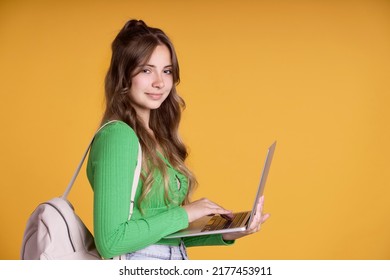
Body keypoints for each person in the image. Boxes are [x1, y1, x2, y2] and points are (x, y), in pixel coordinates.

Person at [86, 19, 270, 260]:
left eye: (167, 70)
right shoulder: (118, 136)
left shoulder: (158, 138)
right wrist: (188, 212)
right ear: (124, 76)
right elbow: (111, 241)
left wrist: (228, 232)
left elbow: (163, 233)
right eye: (146, 70)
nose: (159, 82)